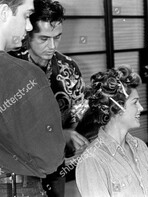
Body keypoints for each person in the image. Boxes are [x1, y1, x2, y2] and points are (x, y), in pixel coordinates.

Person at [8, 0, 89, 196]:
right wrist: (57, 134)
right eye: (44, 38)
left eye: (57, 37)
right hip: (18, 168)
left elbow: (80, 108)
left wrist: (76, 132)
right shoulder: (10, 66)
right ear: (28, 33)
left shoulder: (68, 68)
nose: (52, 46)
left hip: (55, 164)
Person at [0, 0, 66, 196]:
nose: (28, 26)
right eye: (26, 16)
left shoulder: (67, 68)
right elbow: (50, 157)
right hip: (15, 185)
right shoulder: (24, 74)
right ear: (4, 12)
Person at [75, 66, 148, 197]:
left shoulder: (141, 147)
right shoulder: (92, 161)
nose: (141, 108)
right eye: (135, 102)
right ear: (116, 107)